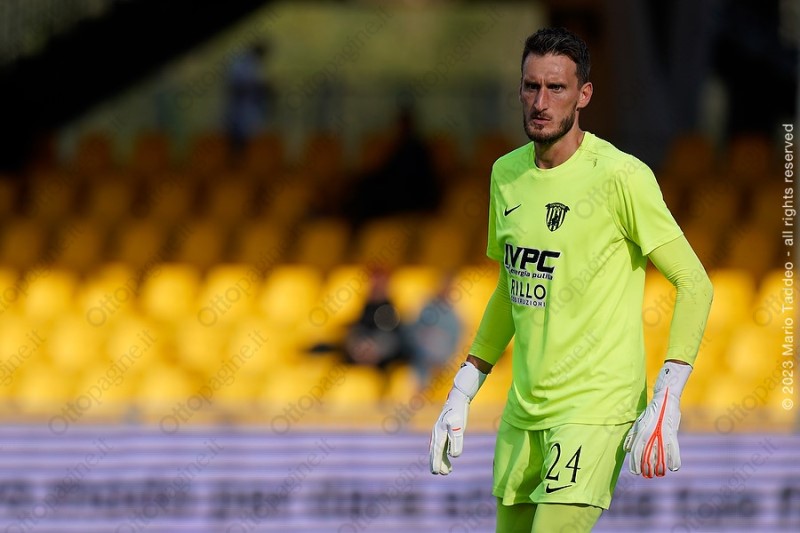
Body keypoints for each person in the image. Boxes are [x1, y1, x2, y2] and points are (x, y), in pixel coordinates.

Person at [428, 27, 713, 533]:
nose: (541, 102)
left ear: (583, 95)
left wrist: (669, 393)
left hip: (595, 407)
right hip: (523, 411)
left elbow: (695, 282)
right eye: (531, 86)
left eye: (556, 88)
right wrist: (463, 388)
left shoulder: (621, 176)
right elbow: (512, 285)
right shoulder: (505, 174)